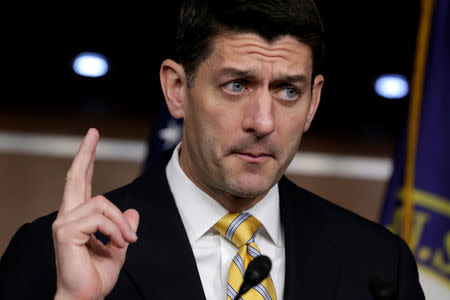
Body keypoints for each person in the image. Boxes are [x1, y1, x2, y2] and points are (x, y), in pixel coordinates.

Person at [0, 0, 424, 299]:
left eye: (288, 91)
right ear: (176, 89)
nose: (263, 121)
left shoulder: (380, 264)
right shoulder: (51, 253)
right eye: (236, 85)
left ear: (313, 102)